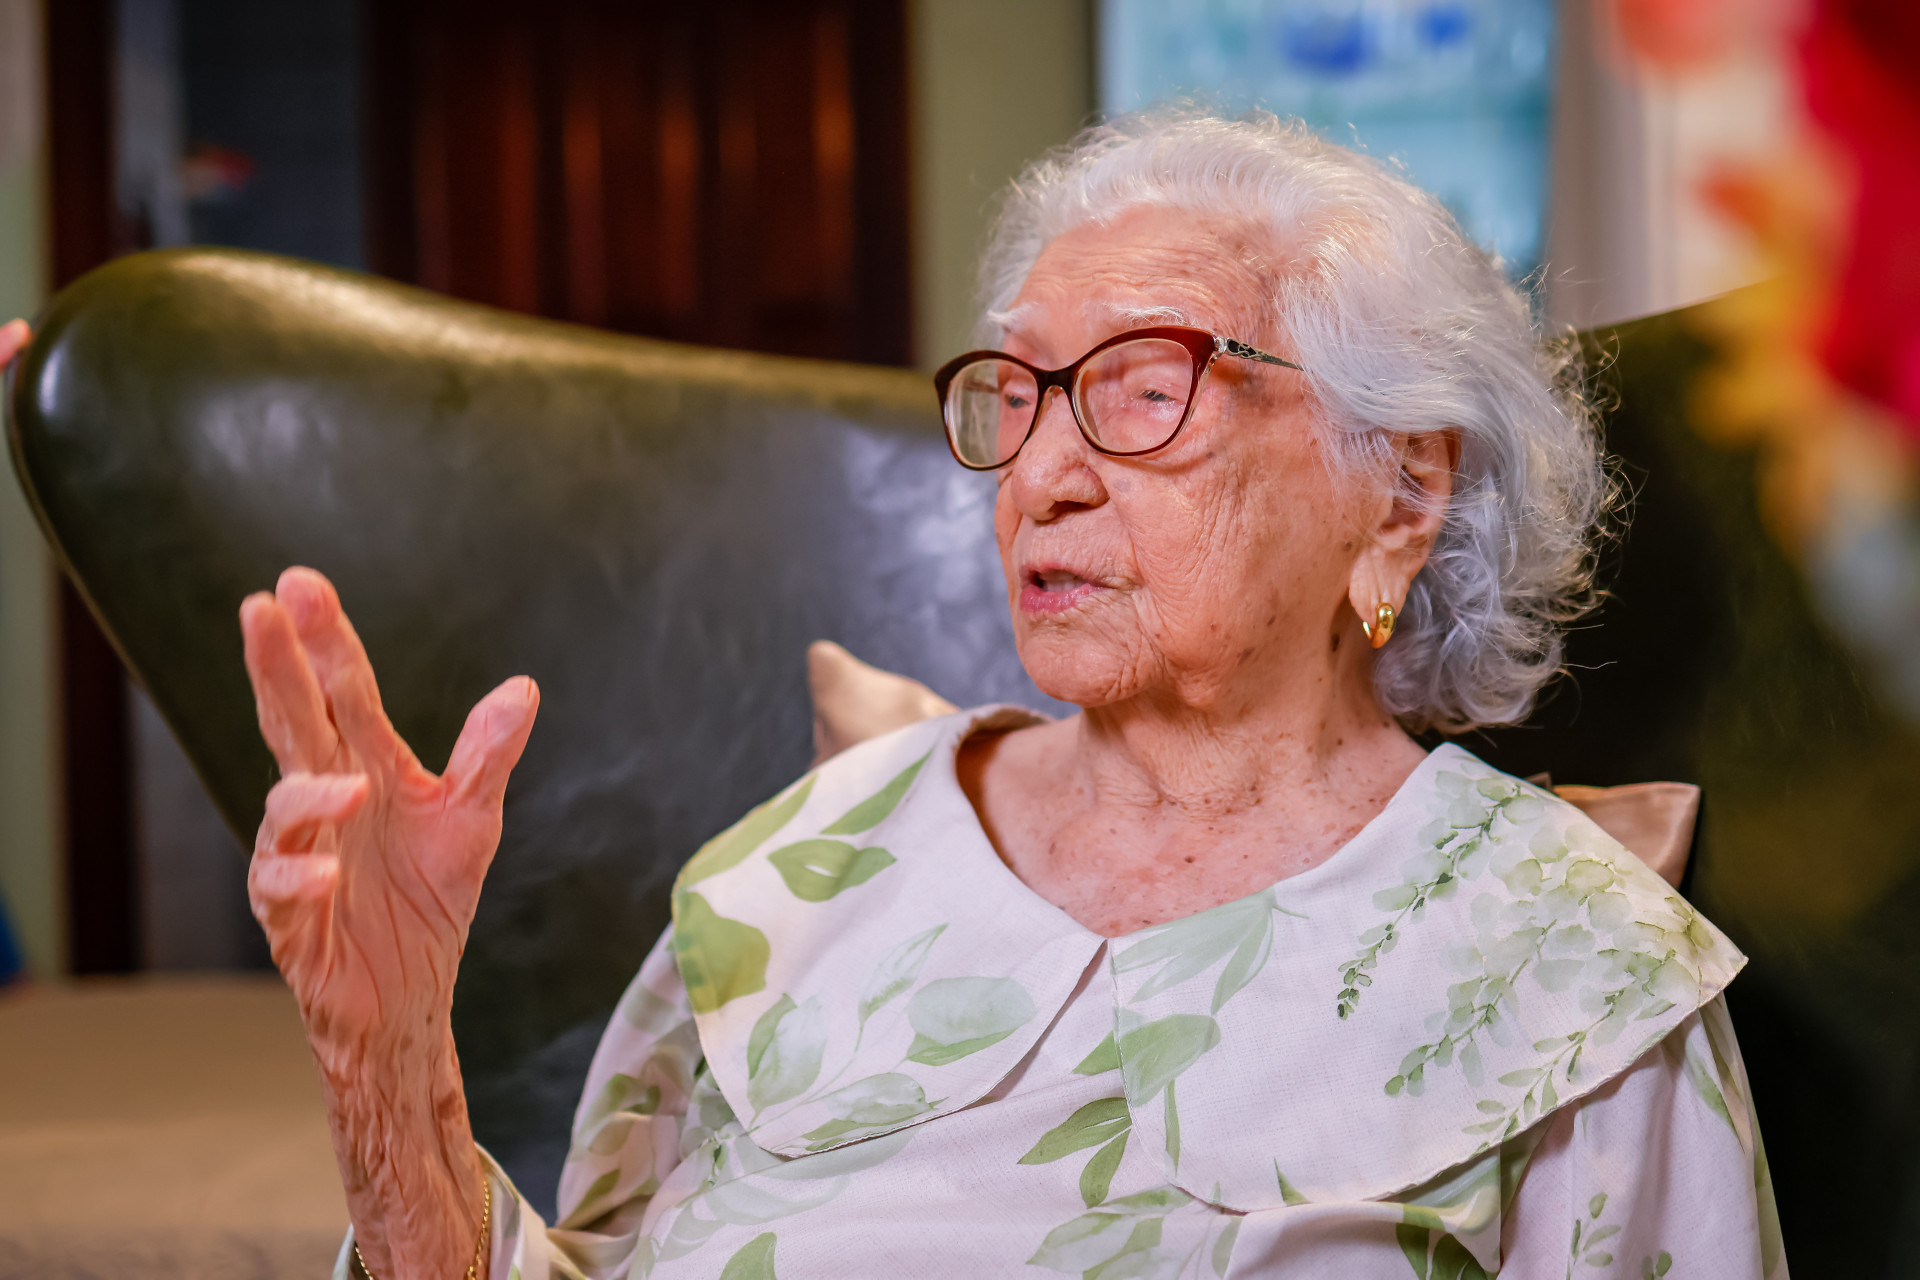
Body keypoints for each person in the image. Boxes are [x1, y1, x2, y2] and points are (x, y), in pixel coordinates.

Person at [0, 109, 1785, 1278]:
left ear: (1400, 487)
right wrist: (389, 1069)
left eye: (1143, 384)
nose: (1043, 475)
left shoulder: (1569, 975)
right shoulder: (812, 860)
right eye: (1016, 397)